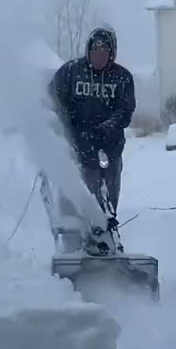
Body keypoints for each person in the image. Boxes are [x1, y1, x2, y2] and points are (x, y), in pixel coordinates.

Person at [48, 26, 136, 216]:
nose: (99, 54)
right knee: (80, 194)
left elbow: (125, 111)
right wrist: (70, 125)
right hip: (77, 147)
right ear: (88, 50)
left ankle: (107, 229)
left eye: (104, 50)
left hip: (109, 148)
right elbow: (53, 98)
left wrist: (104, 129)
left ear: (112, 53)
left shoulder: (122, 78)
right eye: (95, 49)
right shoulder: (70, 73)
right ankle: (79, 233)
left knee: (108, 198)